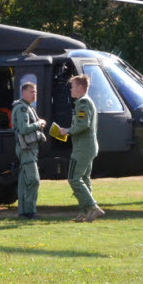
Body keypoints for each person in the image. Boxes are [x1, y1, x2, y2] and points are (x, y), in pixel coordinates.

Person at [60, 75, 104, 222]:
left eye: (72, 86)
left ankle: (93, 207)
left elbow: (82, 124)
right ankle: (86, 213)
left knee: (73, 178)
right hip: (88, 146)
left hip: (83, 147)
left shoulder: (83, 102)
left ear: (80, 88)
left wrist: (67, 131)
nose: (71, 89)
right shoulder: (85, 102)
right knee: (84, 179)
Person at [11, 82, 46, 220]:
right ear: (23, 93)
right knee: (34, 180)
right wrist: (39, 124)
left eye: (35, 91)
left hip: (29, 149)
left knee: (24, 182)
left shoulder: (27, 107)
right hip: (26, 149)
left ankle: (23, 212)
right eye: (31, 91)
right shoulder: (22, 109)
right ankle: (30, 211)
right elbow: (24, 129)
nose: (34, 94)